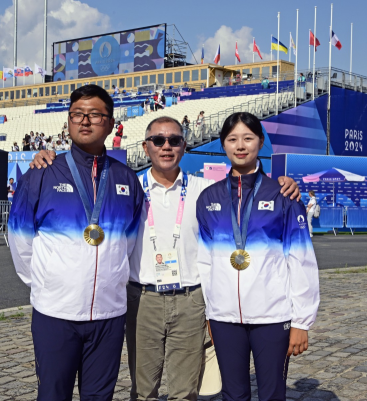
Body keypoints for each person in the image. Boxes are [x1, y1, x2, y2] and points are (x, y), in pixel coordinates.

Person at [30, 116, 302, 401]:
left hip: (190, 300)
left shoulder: (204, 191)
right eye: (158, 140)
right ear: (146, 147)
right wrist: (48, 156)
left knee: (185, 392)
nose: (166, 146)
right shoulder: (127, 186)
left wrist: (284, 184)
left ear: (184, 146)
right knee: (144, 391)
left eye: (174, 140)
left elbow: (243, 190)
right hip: (142, 299)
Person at [8, 85, 144, 400]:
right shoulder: (43, 172)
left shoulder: (126, 179)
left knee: (100, 396)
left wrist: (111, 281)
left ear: (110, 123)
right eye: (77, 115)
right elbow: (20, 240)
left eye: (95, 115)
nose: (85, 121)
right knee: (53, 394)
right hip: (56, 314)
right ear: (68, 121)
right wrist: (46, 284)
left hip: (109, 316)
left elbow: (131, 244)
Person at [196, 112, 319, 401]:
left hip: (273, 317)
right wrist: (210, 313)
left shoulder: (283, 195)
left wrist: (301, 321)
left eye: (248, 138)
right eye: (232, 139)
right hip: (224, 318)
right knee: (233, 393)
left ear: (260, 142)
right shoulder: (209, 198)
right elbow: (204, 262)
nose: (240, 145)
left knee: (272, 393)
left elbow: (301, 260)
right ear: (223, 145)